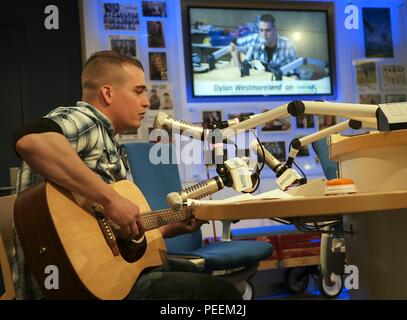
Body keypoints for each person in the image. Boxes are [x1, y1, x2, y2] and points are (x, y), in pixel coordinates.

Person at [12, 50, 241, 300]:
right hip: (65, 289)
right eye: (138, 91)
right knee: (223, 296)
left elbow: (104, 233)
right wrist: (112, 200)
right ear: (107, 93)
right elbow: (31, 141)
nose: (146, 102)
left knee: (198, 277)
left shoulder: (108, 141)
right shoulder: (87, 120)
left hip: (89, 282)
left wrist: (167, 228)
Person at [230, 14, 297, 73]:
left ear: (274, 29)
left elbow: (294, 74)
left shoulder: (288, 46)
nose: (264, 34)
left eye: (267, 30)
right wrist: (238, 66)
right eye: (261, 30)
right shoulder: (255, 40)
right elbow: (233, 44)